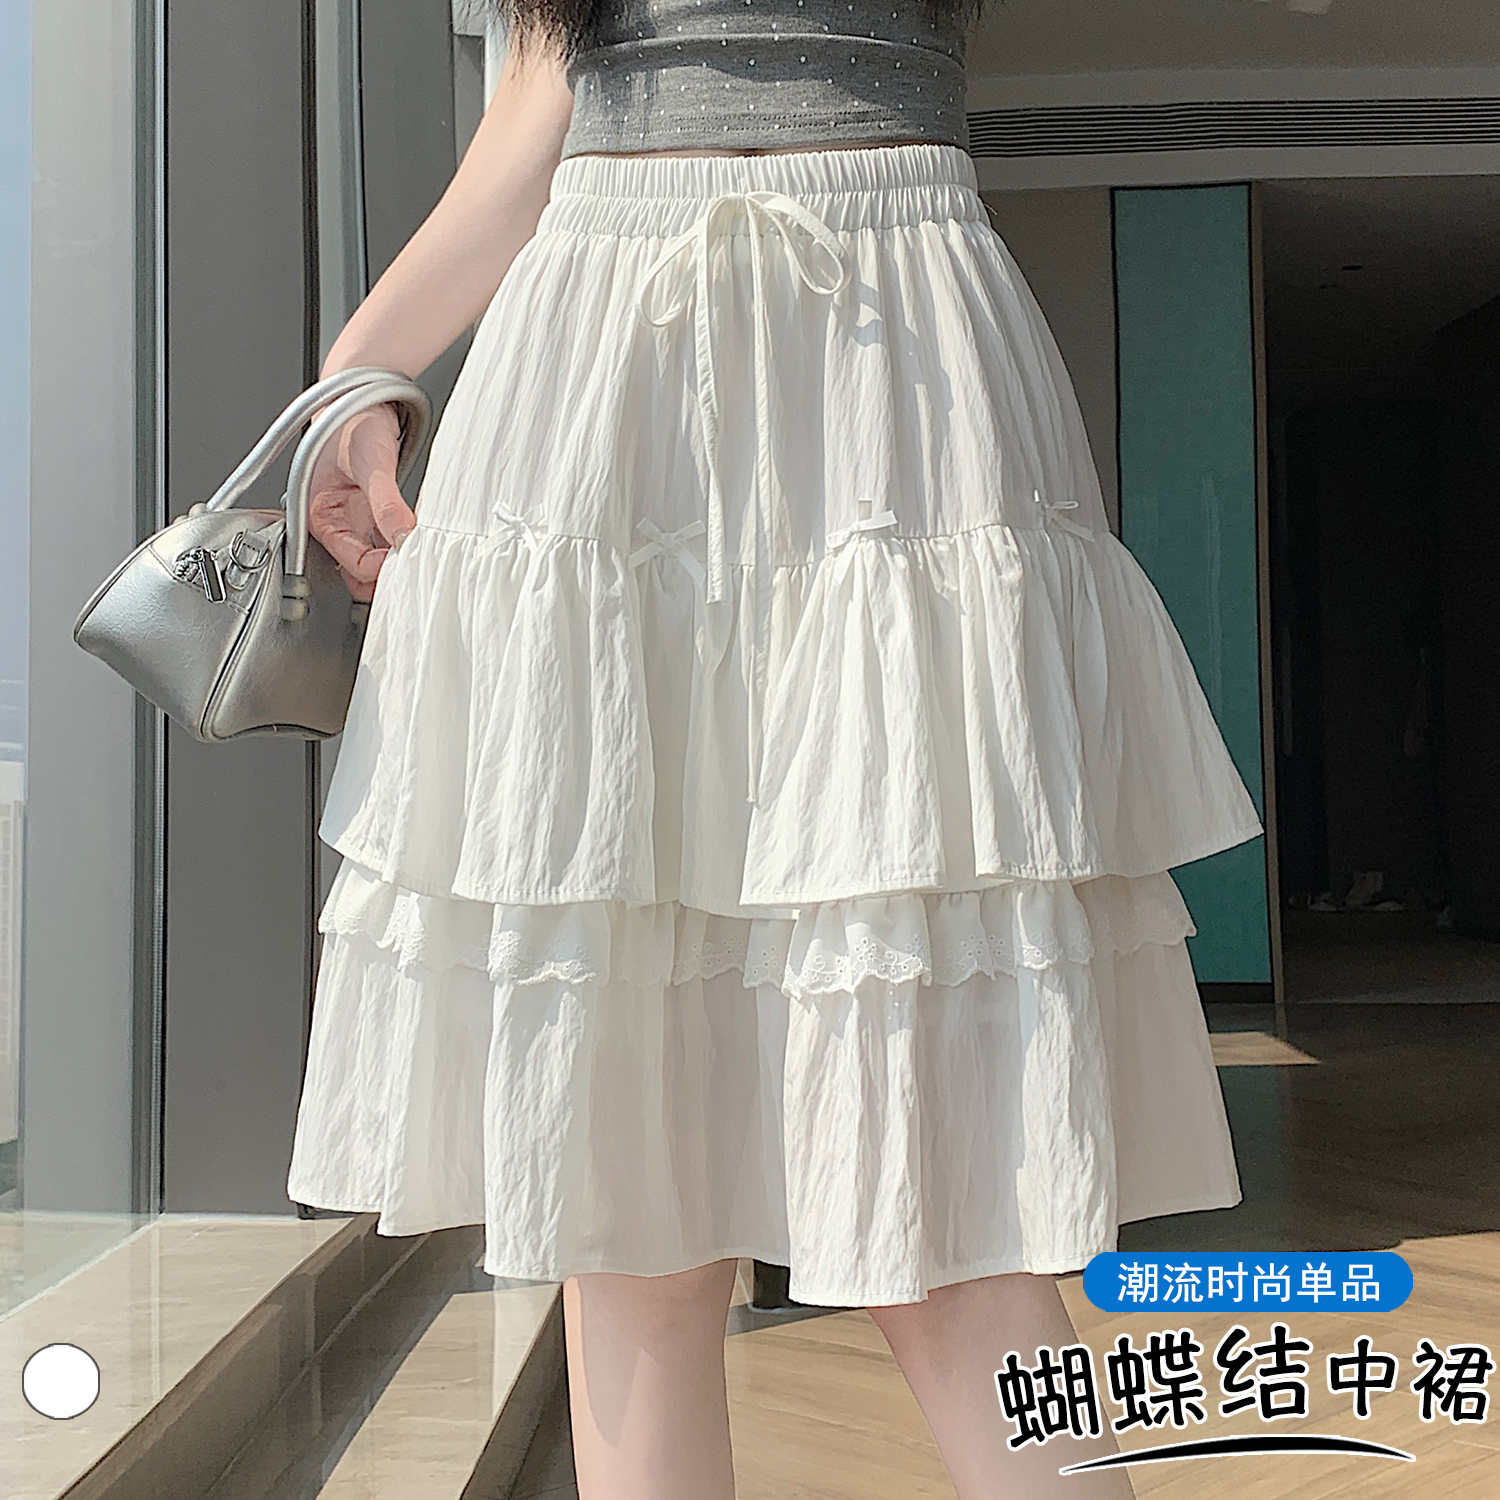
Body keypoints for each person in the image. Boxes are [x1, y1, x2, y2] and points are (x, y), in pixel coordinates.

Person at [285, 0, 1265, 1495]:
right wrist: (350, 385)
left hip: (895, 329)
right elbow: (536, 112)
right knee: (624, 1222)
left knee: (953, 1196)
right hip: (599, 346)